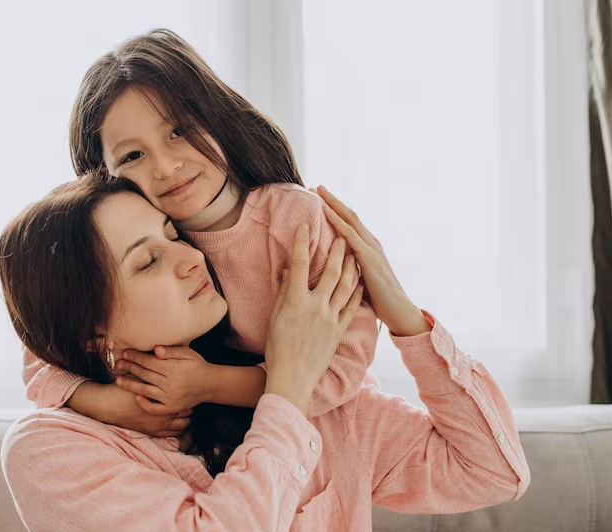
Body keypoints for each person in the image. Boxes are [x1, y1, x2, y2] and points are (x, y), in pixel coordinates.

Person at [0, 174, 530, 532]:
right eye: (146, 261)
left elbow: (493, 471)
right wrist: (287, 388)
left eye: (172, 235)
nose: (188, 259)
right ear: (94, 333)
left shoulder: (331, 411)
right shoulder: (51, 449)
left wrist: (406, 319)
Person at [23, 28, 380, 437]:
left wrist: (207, 383)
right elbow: (44, 341)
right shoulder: (134, 244)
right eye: (133, 155)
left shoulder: (295, 219)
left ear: (216, 118)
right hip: (216, 455)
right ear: (105, 177)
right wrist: (107, 403)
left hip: (320, 438)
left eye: (178, 131)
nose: (166, 166)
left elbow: (342, 369)